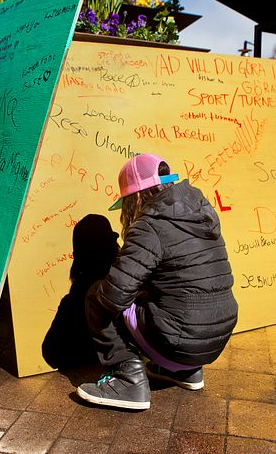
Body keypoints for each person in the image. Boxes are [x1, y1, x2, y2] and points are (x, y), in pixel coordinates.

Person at [76, 153, 238, 410]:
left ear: (137, 196)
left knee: (96, 298)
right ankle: (185, 372)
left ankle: (128, 379)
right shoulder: (202, 213)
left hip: (182, 340)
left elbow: (113, 297)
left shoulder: (150, 225)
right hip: (216, 338)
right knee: (169, 299)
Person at [42, 214, 120, 369]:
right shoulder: (125, 288)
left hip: (80, 371)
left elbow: (50, 352)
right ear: (113, 247)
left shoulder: (74, 300)